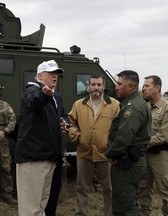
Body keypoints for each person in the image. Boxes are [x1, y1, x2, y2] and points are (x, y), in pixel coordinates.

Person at [16, 60, 63, 216]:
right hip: (34, 159)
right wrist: (44, 94)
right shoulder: (33, 91)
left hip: (46, 158)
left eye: (56, 74)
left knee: (40, 207)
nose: (54, 76)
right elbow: (34, 101)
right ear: (39, 76)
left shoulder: (52, 96)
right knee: (31, 209)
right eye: (50, 73)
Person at [68, 73, 120, 216]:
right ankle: (81, 213)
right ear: (88, 86)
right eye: (93, 84)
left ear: (103, 86)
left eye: (99, 84)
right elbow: (71, 123)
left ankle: (110, 213)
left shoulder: (114, 104)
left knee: (109, 188)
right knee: (82, 188)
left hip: (106, 154)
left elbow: (120, 127)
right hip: (85, 152)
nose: (96, 87)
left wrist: (112, 145)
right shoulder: (79, 105)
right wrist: (78, 137)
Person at [105, 70, 152, 216]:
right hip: (130, 161)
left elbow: (124, 137)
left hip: (128, 163)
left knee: (124, 207)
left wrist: (110, 153)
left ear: (130, 87)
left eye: (119, 84)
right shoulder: (135, 103)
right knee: (128, 201)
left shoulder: (132, 107)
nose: (116, 87)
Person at [139, 75, 168, 216]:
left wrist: (141, 142)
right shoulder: (144, 107)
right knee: (143, 187)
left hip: (160, 155)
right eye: (143, 86)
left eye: (147, 86)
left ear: (157, 88)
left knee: (165, 187)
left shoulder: (166, 107)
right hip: (144, 154)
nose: (143, 88)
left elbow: (163, 135)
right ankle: (143, 212)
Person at [45, 90, 69, 216]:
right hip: (43, 151)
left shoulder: (57, 97)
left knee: (55, 187)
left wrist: (65, 122)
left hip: (57, 150)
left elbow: (64, 115)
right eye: (50, 75)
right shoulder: (35, 96)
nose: (54, 78)